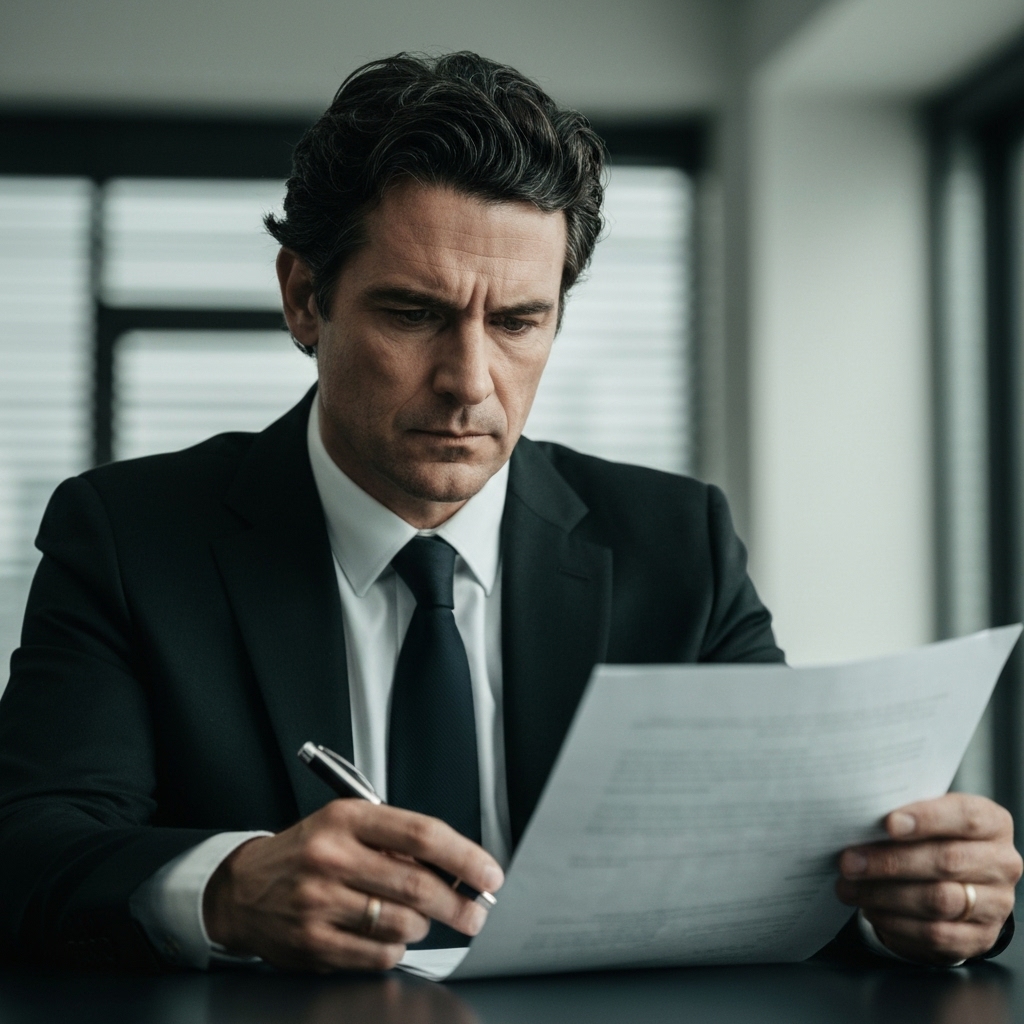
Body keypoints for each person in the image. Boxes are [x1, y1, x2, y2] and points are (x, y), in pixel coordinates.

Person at [0, 52, 1019, 974]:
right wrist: (226, 888)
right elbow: (29, 846)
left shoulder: (677, 544)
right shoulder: (130, 538)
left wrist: (918, 901)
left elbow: (785, 858)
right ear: (305, 297)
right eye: (415, 314)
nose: (471, 381)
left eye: (519, 321)